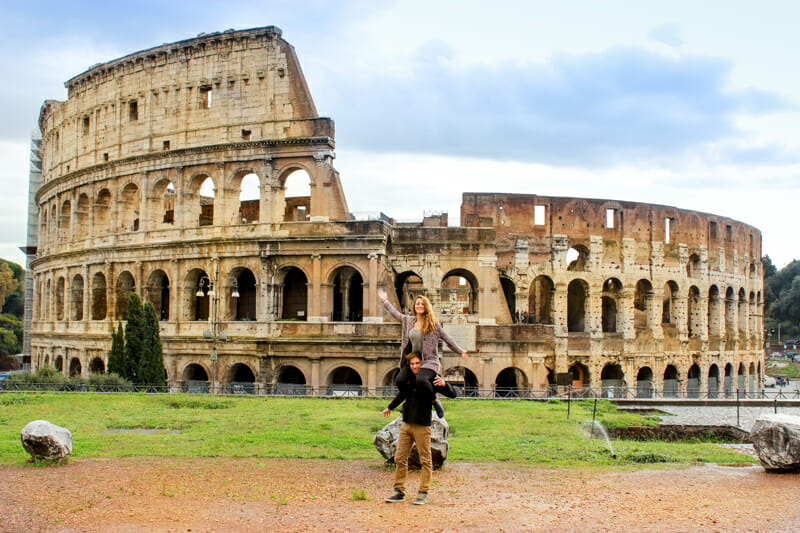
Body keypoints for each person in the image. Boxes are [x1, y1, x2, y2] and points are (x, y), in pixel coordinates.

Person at [378, 289, 468, 417]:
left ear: (426, 307)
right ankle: (409, 401)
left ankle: (434, 401)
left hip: (429, 361)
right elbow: (395, 313)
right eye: (417, 304)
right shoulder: (408, 320)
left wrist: (460, 351)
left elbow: (448, 339)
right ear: (414, 307)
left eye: (422, 304)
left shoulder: (433, 324)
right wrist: (385, 300)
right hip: (414, 361)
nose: (419, 306)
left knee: (421, 380)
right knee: (400, 380)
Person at [382, 352, 454, 505]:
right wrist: (390, 407)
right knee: (400, 458)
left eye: (417, 363)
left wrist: (444, 384)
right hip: (406, 423)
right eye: (412, 364)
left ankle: (423, 492)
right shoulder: (408, 380)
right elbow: (402, 395)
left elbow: (453, 394)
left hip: (422, 425)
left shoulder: (429, 379)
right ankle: (398, 490)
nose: (415, 366)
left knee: (425, 460)